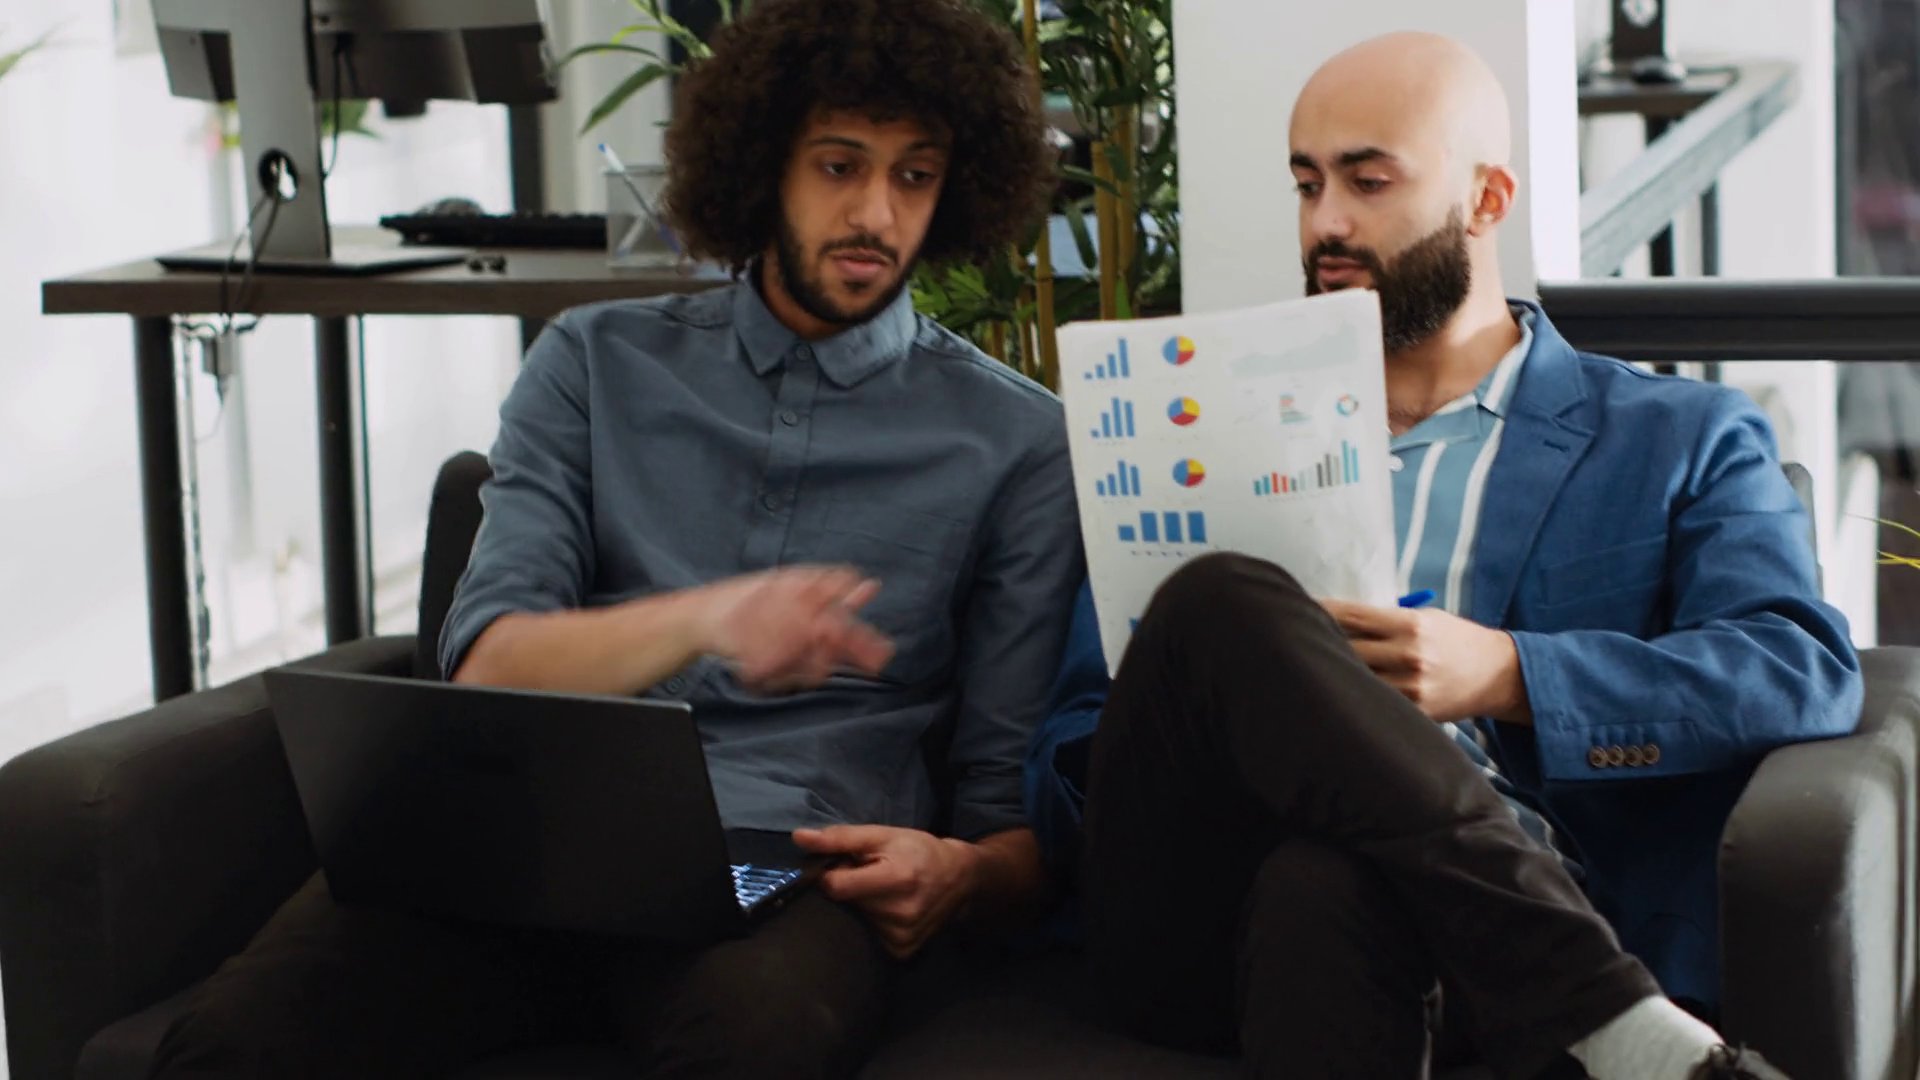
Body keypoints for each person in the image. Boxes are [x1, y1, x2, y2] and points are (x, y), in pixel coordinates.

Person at [150, 1, 1082, 1077]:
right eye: (839, 166)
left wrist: (960, 874)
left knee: (755, 1040)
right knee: (232, 1042)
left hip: (795, 872)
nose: (876, 212)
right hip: (518, 843)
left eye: (915, 176)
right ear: (765, 163)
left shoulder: (1015, 441)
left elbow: (1009, 821)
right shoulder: (592, 363)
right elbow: (491, 662)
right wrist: (714, 617)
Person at [1026, 31, 1862, 1080]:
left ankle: (1571, 989)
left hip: (1454, 935)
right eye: (1307, 183)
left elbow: (1796, 667)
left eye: (1368, 181)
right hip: (1195, 920)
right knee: (1221, 601)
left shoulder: (1677, 436)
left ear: (1486, 199)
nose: (1326, 223)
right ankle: (1612, 1018)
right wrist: (1262, 699)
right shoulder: (1194, 423)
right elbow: (1073, 737)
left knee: (1324, 881)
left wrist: (1509, 675)